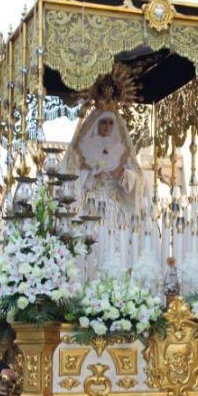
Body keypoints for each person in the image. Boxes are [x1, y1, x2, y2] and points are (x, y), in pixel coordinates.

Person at [60, 108, 146, 278]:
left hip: (115, 204)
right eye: (103, 122)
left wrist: (121, 174)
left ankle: (116, 278)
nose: (107, 126)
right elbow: (71, 175)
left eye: (110, 123)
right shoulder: (83, 147)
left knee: (116, 243)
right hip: (91, 204)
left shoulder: (121, 150)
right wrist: (90, 174)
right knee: (92, 241)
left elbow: (138, 178)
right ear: (95, 124)